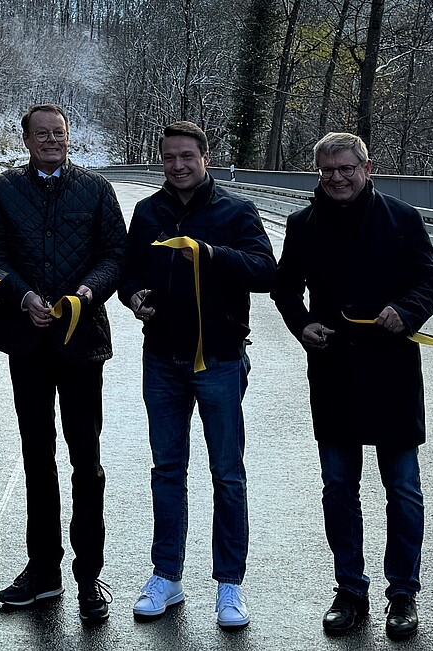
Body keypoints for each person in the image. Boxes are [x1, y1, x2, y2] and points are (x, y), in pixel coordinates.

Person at [271, 132, 433, 640]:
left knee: (403, 492)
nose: (337, 178)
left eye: (346, 169)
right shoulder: (303, 225)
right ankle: (350, 591)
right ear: (318, 173)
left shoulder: (402, 219)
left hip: (391, 369)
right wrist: (302, 324)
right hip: (334, 371)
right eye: (328, 171)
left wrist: (406, 312)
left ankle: (402, 595)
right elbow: (285, 288)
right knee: (339, 490)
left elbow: (430, 282)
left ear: (368, 169)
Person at [119, 122, 277, 629]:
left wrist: (211, 255)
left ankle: (230, 585)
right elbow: (130, 275)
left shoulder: (235, 211)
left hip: (222, 359)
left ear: (206, 158)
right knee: (167, 470)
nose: (178, 165)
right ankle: (167, 576)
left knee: (227, 473)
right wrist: (134, 297)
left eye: (187, 156)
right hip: (162, 358)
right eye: (169, 158)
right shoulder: (147, 213)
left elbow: (265, 272)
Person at [0, 103, 127, 621]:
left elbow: (116, 253)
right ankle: (43, 570)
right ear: (25, 140)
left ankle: (90, 577)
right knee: (36, 456)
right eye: (41, 134)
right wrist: (22, 297)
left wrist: (87, 294)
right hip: (28, 342)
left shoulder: (96, 188)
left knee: (86, 459)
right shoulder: (4, 189)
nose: (51, 141)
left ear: (70, 137)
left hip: (82, 341)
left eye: (59, 133)